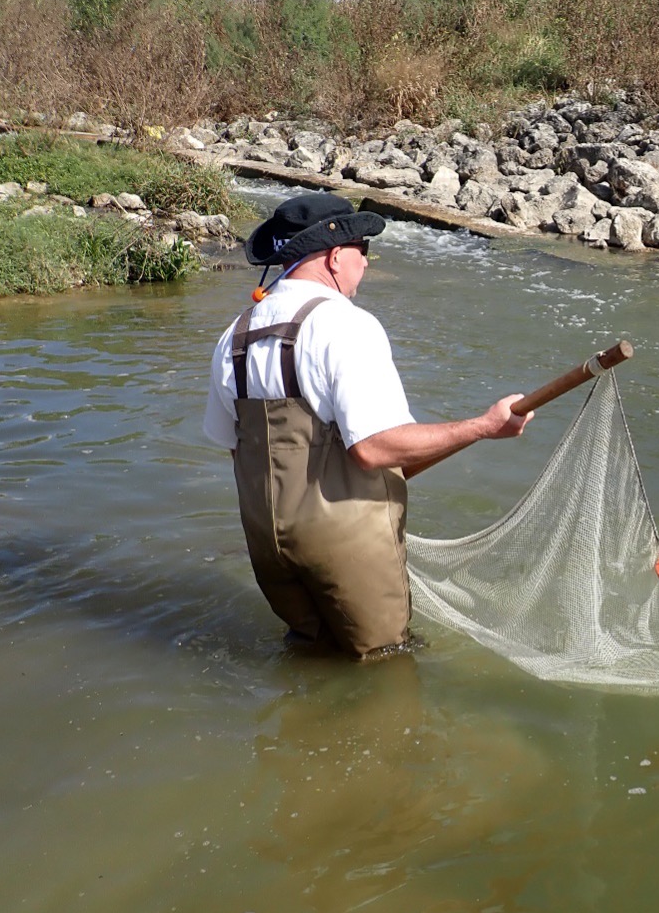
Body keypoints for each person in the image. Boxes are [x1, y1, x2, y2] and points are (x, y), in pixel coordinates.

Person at [203, 193, 533, 659]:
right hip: (345, 541)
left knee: (309, 657)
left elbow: (235, 447)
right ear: (336, 257)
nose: (366, 265)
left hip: (265, 540)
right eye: (365, 252)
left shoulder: (233, 335)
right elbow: (374, 449)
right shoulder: (344, 324)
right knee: (384, 665)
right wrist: (483, 426)